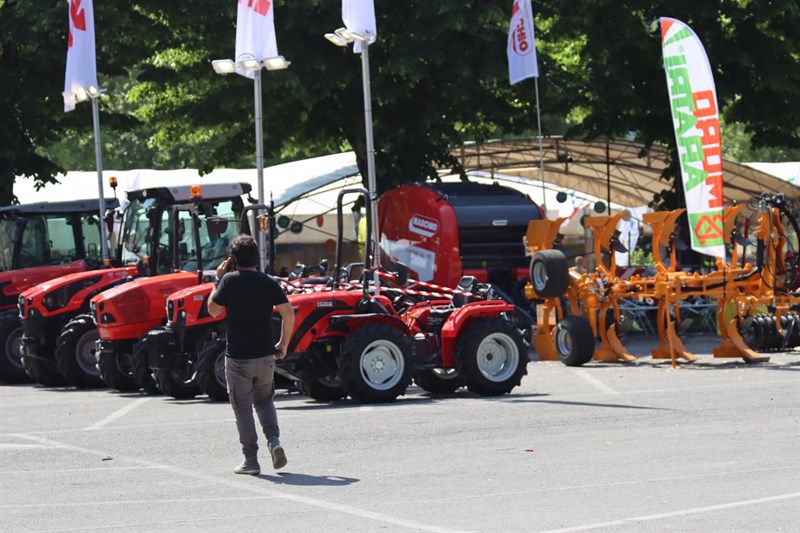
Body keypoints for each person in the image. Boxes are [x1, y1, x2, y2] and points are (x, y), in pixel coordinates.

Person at [207, 234, 295, 475]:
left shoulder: (229, 281)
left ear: (233, 260)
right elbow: (289, 314)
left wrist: (218, 279)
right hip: (265, 355)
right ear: (256, 258)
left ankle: (251, 460)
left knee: (243, 407)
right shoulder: (268, 282)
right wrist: (283, 344)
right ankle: (274, 441)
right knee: (265, 400)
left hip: (237, 357)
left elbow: (212, 310)